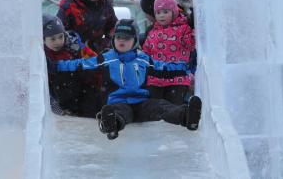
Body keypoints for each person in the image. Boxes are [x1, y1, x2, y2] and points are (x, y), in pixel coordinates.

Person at [56, 19, 202, 140]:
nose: (122, 41)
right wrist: (55, 65)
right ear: (114, 39)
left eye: (127, 38)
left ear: (135, 40)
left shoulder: (143, 59)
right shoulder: (106, 58)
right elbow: (81, 64)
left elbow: (164, 67)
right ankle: (111, 125)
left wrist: (186, 67)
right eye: (119, 37)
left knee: (161, 106)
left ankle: (187, 117)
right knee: (118, 112)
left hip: (142, 103)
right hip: (119, 102)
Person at [142, 0, 195, 105]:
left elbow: (191, 45)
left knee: (175, 106)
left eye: (165, 12)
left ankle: (184, 114)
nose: (161, 15)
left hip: (177, 77)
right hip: (155, 78)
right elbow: (146, 53)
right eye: (158, 12)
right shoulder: (152, 32)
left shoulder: (183, 28)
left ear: (174, 12)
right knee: (154, 107)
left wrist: (194, 33)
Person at [43, 13, 100, 117]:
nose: (58, 42)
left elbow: (94, 60)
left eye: (61, 36)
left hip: (77, 90)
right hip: (55, 94)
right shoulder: (41, 54)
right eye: (52, 39)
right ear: (43, 39)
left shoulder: (73, 45)